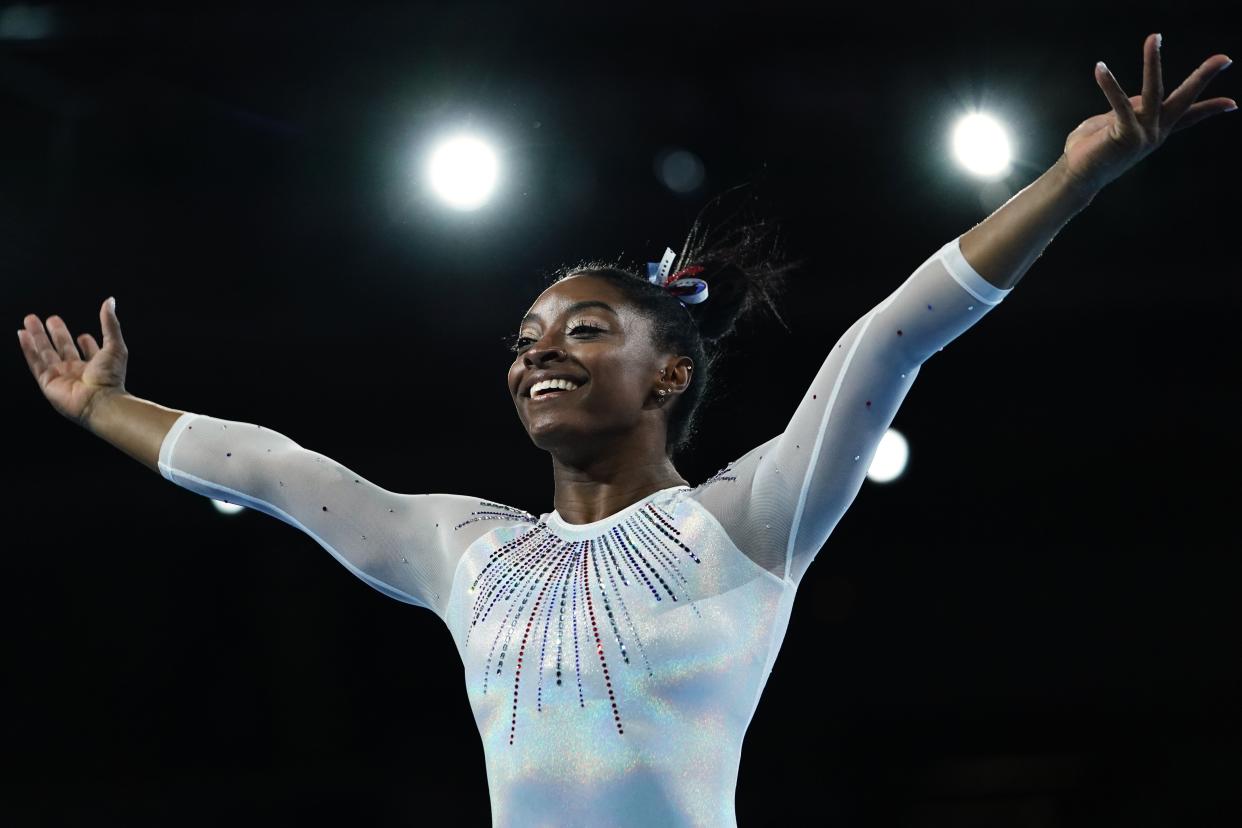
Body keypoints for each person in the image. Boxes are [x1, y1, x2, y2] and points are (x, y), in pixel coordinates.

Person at [17, 34, 1233, 827]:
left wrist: (1079, 175)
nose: (539, 348)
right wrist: (104, 405)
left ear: (668, 377)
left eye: (586, 329)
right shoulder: (468, 552)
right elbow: (277, 470)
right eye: (528, 336)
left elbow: (887, 338)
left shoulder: (749, 522)